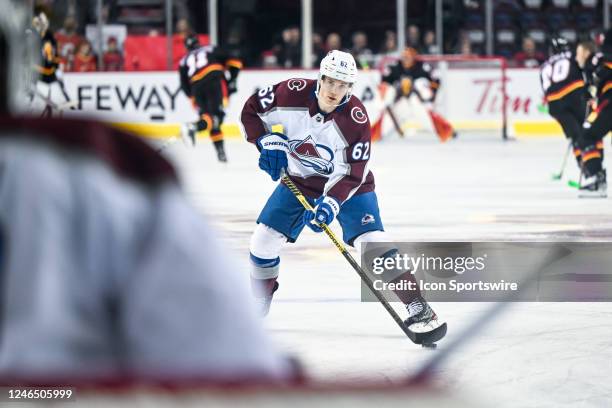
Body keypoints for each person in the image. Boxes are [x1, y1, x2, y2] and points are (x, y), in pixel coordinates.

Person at [0, 0, 293, 381]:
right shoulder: (112, 175)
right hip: (210, 86)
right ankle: (211, 138)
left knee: (210, 118)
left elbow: (189, 82)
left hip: (201, 86)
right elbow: (232, 365)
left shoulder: (186, 64)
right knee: (213, 119)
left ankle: (210, 135)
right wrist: (231, 81)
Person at [240, 50, 446, 344]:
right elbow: (250, 110)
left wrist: (330, 203)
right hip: (300, 179)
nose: (336, 91)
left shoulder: (356, 119)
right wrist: (265, 141)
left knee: (371, 240)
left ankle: (418, 305)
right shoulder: (289, 93)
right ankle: (259, 301)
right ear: (320, 78)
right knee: (263, 238)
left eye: (344, 85)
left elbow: (353, 172)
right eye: (332, 82)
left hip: (350, 185)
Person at [178, 33, 242, 162]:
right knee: (217, 117)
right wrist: (232, 80)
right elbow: (235, 62)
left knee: (209, 118)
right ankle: (193, 127)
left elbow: (185, 87)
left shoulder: (183, 61)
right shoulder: (211, 49)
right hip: (213, 80)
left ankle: (220, 153)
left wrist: (193, 97)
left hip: (196, 87)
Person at [539, 37, 589, 176]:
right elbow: (585, 70)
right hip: (574, 95)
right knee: (587, 130)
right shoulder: (572, 56)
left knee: (575, 134)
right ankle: (591, 163)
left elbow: (545, 91)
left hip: (554, 104)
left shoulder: (544, 66)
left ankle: (581, 161)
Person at [381, 47, 454, 141]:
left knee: (428, 120)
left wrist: (431, 97)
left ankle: (446, 132)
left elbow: (436, 81)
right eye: (404, 57)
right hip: (400, 102)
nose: (406, 60)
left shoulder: (423, 67)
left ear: (413, 57)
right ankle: (374, 135)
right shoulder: (395, 68)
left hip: (419, 102)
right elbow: (384, 84)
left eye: (408, 57)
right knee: (387, 123)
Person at [575, 30, 612, 197]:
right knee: (591, 134)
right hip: (606, 102)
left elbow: (604, 69)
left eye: (578, 53)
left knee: (586, 135)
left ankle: (597, 179)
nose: (577, 58)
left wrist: (593, 82)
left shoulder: (598, 59)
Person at [30, 11, 72, 115]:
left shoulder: (50, 37)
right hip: (41, 79)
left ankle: (59, 129)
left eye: (43, 23)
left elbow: (55, 56)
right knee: (37, 107)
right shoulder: (33, 39)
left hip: (52, 78)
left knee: (59, 105)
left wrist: (57, 68)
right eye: (39, 24)